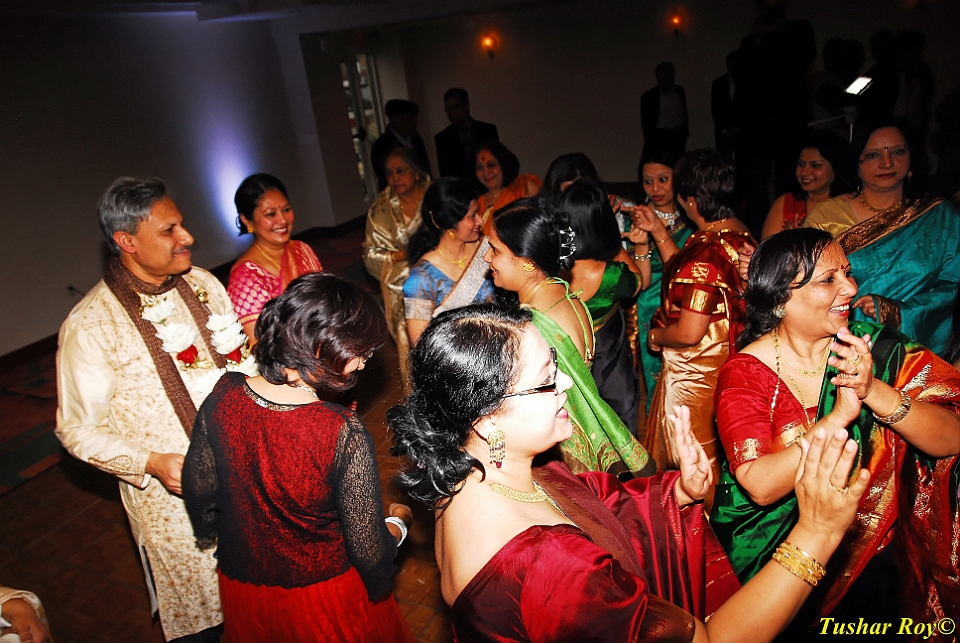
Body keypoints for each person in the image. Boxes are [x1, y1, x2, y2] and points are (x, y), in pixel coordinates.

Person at [388, 303, 872, 643]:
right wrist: (817, 533)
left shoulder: (467, 473)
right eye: (545, 381)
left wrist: (677, 493)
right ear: (487, 416)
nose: (566, 384)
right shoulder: (548, 564)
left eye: (556, 366)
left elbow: (588, 505)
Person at [711, 228, 960, 635]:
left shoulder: (876, 349)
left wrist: (873, 390)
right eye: (828, 280)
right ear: (780, 300)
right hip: (775, 562)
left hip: (876, 556)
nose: (850, 288)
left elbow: (952, 437)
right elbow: (759, 485)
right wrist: (837, 418)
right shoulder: (745, 375)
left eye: (847, 272)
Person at [56, 177, 255, 642]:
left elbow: (241, 367)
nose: (187, 237)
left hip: (247, 478)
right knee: (208, 622)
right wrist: (150, 463)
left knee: (265, 608)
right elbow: (76, 430)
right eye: (169, 230)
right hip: (175, 509)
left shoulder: (202, 284)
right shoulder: (92, 325)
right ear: (127, 241)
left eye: (181, 225)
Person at [182, 273, 414, 643]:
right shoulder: (338, 430)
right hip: (320, 599)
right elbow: (367, 550)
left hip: (244, 587)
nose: (364, 364)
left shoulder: (224, 394)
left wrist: (213, 528)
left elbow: (199, 487)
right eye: (361, 353)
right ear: (324, 347)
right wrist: (399, 524)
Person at [486, 197, 652, 475]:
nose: (487, 257)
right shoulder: (566, 293)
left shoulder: (531, 327)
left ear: (527, 262)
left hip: (556, 453)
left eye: (495, 250)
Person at [638, 149, 753, 510]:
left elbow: (689, 332)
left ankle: (694, 535)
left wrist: (655, 336)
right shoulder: (742, 238)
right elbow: (689, 274)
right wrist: (659, 232)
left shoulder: (706, 254)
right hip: (734, 365)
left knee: (695, 464)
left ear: (690, 201)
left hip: (697, 378)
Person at [802, 121, 960, 356]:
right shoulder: (827, 217)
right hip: (842, 349)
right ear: (856, 162)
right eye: (873, 155)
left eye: (898, 152)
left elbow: (953, 286)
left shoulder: (940, 216)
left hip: (920, 354)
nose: (887, 163)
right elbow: (806, 288)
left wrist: (899, 312)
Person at [561, 179, 647, 435]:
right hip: (612, 376)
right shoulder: (613, 276)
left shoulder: (549, 269)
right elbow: (640, 280)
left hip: (566, 372)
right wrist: (625, 244)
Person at [633, 147, 694, 416]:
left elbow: (688, 268)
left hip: (685, 303)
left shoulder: (692, 219)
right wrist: (641, 243)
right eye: (648, 181)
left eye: (663, 179)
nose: (655, 188)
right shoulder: (636, 218)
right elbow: (639, 278)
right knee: (654, 380)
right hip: (648, 304)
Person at [362, 147, 431, 386]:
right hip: (400, 285)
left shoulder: (435, 198)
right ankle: (415, 396)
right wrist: (403, 255)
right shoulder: (380, 211)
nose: (395, 178)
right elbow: (370, 255)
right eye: (390, 173)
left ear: (417, 171)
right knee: (405, 328)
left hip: (442, 275)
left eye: (401, 171)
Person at [227, 173, 323, 342]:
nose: (282, 220)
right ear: (247, 220)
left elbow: (326, 302)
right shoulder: (245, 276)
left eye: (286, 210)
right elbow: (258, 343)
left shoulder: (302, 249)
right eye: (271, 214)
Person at [403, 178, 494, 346]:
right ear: (449, 223)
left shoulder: (489, 249)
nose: (480, 221)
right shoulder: (422, 277)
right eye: (472, 216)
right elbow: (421, 344)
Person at [760, 131, 846, 238]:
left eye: (815, 166)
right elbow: (767, 246)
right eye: (801, 164)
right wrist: (788, 240)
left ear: (836, 169)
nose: (804, 172)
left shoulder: (849, 205)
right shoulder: (787, 203)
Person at [475, 140, 541, 234]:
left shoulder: (523, 186)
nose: (486, 172)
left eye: (491, 165)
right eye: (479, 167)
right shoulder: (477, 203)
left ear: (504, 164)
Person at [434, 87, 499, 181]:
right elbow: (446, 174)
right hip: (460, 187)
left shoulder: (487, 130)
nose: (451, 113)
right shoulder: (442, 139)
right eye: (448, 110)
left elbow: (495, 161)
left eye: (455, 107)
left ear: (467, 107)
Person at [370, 98, 432, 192]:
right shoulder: (381, 146)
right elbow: (386, 178)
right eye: (410, 120)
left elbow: (425, 168)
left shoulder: (416, 139)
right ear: (399, 121)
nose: (415, 123)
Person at [640, 62, 689, 160]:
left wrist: (684, 132)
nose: (669, 78)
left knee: (677, 164)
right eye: (665, 75)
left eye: (671, 75)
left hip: (677, 136)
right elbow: (646, 122)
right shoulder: (649, 96)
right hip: (660, 137)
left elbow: (683, 113)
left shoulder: (679, 92)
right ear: (658, 77)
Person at [711, 51, 740, 155]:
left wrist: (736, 129)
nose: (734, 67)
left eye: (736, 64)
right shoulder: (718, 84)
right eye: (732, 64)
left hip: (742, 132)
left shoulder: (746, 83)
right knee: (724, 159)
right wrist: (724, 130)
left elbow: (748, 109)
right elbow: (716, 109)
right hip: (723, 133)